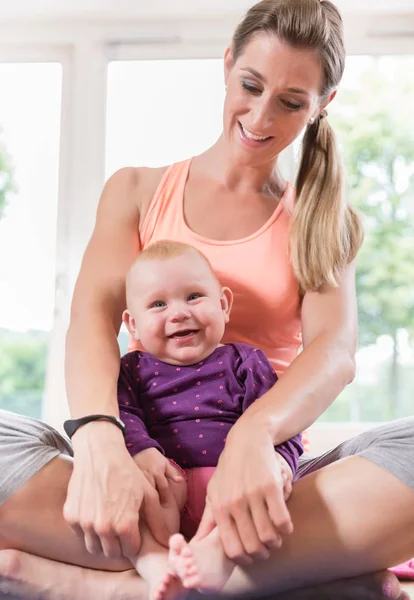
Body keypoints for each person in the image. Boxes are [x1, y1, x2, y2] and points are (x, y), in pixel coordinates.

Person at [0, 0, 414, 599]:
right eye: (250, 85)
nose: (260, 114)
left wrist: (254, 439)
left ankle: (115, 585)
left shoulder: (324, 219)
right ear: (227, 66)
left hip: (267, 483)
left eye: (292, 102)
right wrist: (101, 444)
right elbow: (91, 320)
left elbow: (334, 352)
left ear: (322, 104)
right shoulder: (137, 190)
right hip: (140, 476)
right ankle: (289, 580)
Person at [116, 239, 302, 598]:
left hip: (235, 490)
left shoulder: (244, 361)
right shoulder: (132, 370)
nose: (179, 313)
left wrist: (281, 462)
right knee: (130, 494)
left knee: (289, 497)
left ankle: (220, 553)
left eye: (194, 297)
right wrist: (144, 453)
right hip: (165, 488)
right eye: (158, 304)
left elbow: (282, 420)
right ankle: (153, 562)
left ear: (224, 304)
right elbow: (122, 416)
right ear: (133, 325)